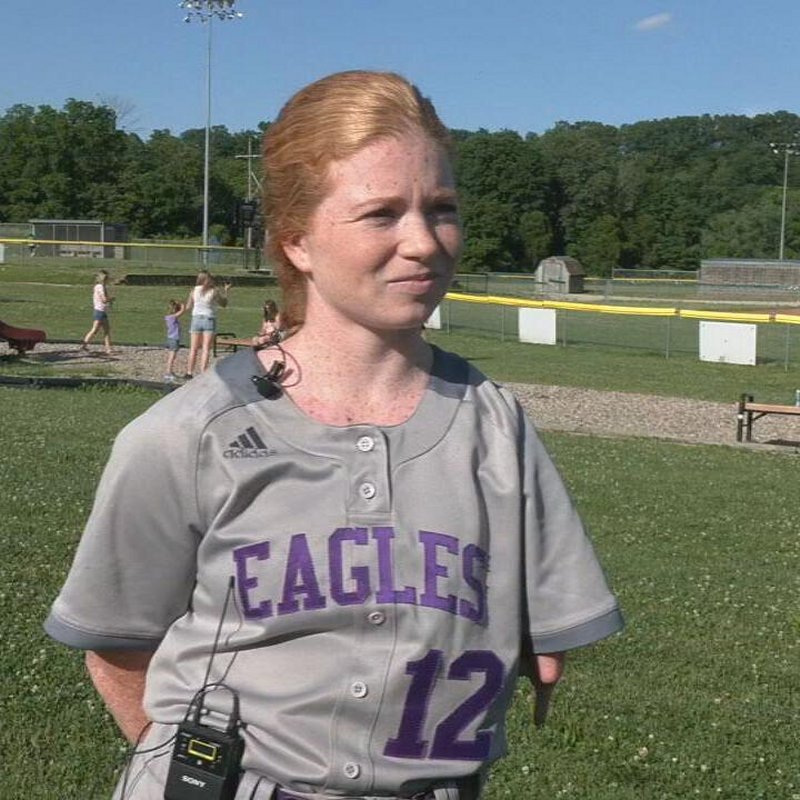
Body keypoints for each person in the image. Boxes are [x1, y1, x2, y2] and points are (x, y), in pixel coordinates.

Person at [44, 71, 623, 800]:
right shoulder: (188, 434)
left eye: (441, 209)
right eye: (381, 214)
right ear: (298, 243)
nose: (423, 242)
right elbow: (116, 647)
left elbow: (549, 638)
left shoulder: (495, 428)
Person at [184, 269, 230, 376]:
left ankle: (189, 372)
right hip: (208, 319)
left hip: (196, 319)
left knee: (193, 348)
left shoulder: (194, 290)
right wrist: (226, 291)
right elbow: (224, 304)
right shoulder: (213, 291)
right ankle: (202, 373)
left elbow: (188, 306)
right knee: (205, 348)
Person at [81, 269, 114, 354]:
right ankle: (85, 346)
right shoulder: (100, 287)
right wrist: (111, 299)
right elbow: (104, 300)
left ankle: (108, 348)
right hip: (100, 311)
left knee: (104, 330)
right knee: (96, 330)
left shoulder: (97, 287)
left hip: (100, 311)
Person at [163, 299, 187, 382]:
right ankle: (168, 373)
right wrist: (182, 304)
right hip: (174, 339)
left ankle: (170, 372)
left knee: (172, 356)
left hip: (171, 338)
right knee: (172, 357)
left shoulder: (168, 317)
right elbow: (183, 310)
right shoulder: (172, 317)